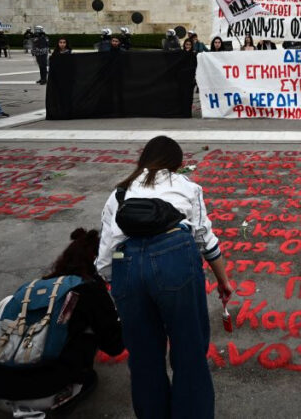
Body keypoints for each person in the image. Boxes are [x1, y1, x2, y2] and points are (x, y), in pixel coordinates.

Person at [96, 136, 232, 419]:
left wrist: (121, 288)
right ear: (178, 163)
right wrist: (223, 281)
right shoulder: (188, 187)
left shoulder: (119, 193)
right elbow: (205, 240)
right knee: (189, 354)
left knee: (144, 360)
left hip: (126, 264)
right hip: (175, 257)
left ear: (143, 159)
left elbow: (105, 260)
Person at [0, 228, 124, 415]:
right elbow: (114, 346)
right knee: (89, 376)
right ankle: (56, 400)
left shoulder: (25, 292)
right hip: (45, 395)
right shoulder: (91, 293)